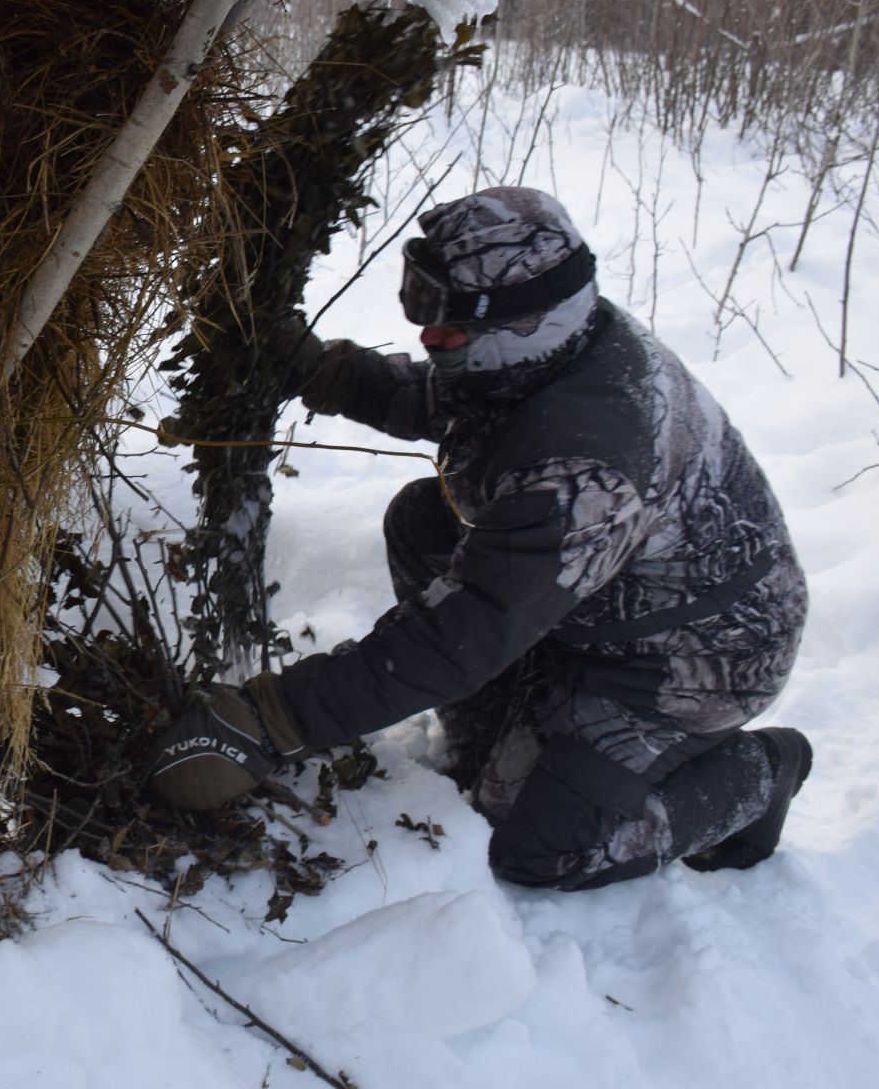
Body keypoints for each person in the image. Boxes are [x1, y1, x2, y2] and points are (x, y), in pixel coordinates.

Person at [149, 187, 813, 890]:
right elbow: (459, 394)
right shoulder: (551, 346)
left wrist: (267, 720)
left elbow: (460, 633)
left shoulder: (584, 463)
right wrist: (327, 373)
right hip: (597, 604)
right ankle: (494, 737)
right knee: (423, 520)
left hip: (692, 660)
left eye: (449, 329)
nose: (428, 341)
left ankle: (763, 773)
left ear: (523, 323)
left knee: (538, 849)